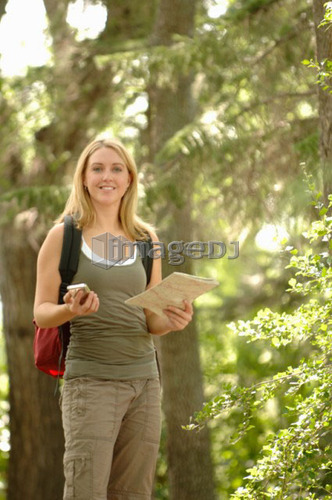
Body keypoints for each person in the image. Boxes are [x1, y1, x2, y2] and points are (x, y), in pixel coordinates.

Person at [33, 137, 193, 500]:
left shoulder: (145, 239)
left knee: (133, 494)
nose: (108, 176)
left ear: (130, 179)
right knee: (86, 492)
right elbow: (42, 314)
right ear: (84, 179)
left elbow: (151, 318)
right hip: (90, 383)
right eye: (98, 168)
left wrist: (172, 320)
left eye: (116, 168)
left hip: (144, 384)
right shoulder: (64, 236)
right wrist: (70, 309)